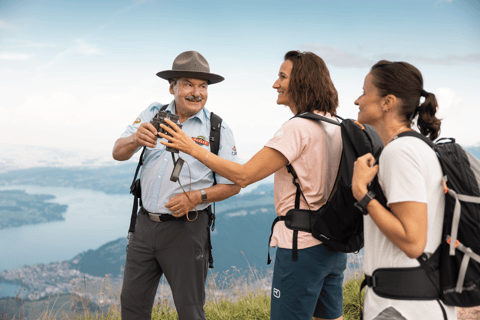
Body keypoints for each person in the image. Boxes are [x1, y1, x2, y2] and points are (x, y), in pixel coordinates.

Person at [158, 51, 346, 320]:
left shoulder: (298, 128)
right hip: (334, 245)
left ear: (302, 82)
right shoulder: (336, 125)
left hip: (301, 247)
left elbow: (244, 176)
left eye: (282, 77)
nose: (275, 83)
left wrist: (193, 149)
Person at [112, 50, 241, 320]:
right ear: (172, 87)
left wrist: (197, 197)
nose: (197, 92)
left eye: (202, 86)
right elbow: (118, 152)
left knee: (190, 310)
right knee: (132, 305)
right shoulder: (152, 112)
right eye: (188, 84)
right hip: (145, 225)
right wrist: (136, 139)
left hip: (188, 229)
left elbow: (233, 184)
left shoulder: (217, 129)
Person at [351, 60, 457, 320]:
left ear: (387, 101)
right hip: (413, 303)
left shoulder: (399, 152)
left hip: (401, 308)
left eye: (364, 92)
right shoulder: (417, 146)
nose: (357, 100)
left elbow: (412, 242)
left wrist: (361, 192)